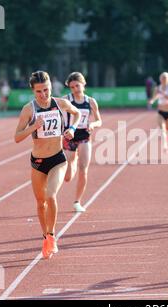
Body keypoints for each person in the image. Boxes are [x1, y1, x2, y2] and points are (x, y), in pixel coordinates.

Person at [14, 71, 81, 259]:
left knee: (50, 195)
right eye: (39, 92)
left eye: (46, 90)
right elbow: (17, 137)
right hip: (37, 162)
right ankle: (45, 237)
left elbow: (76, 114)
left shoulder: (61, 104)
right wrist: (33, 127)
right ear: (33, 92)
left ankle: (51, 236)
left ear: (51, 86)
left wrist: (72, 129)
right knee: (40, 202)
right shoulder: (29, 110)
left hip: (58, 159)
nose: (43, 95)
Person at [62, 72, 102, 212]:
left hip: (84, 135)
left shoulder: (90, 101)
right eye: (72, 87)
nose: (75, 89)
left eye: (77, 86)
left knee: (83, 170)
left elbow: (99, 120)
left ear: (83, 84)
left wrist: (93, 125)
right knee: (67, 177)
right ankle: (72, 161)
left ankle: (77, 202)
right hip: (69, 136)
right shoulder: (66, 100)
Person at [149, 72, 168, 150]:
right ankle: (165, 145)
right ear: (160, 79)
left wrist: (163, 94)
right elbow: (154, 97)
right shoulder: (157, 88)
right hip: (160, 112)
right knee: (162, 130)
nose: (163, 79)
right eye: (162, 78)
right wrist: (152, 101)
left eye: (165, 78)